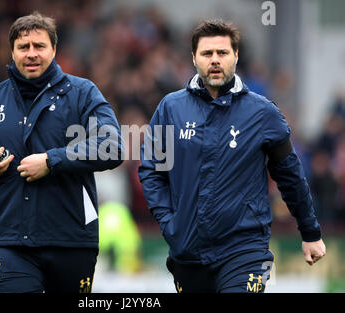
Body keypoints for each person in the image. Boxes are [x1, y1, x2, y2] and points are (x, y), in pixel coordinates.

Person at [138, 20, 326, 293]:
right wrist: (170, 222)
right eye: (207, 54)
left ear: (236, 56)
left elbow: (290, 176)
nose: (215, 60)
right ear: (194, 58)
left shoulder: (263, 113)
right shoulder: (170, 109)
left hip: (246, 250)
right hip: (188, 252)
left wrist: (310, 232)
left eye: (222, 53)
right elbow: (152, 170)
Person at [0, 12, 123, 293]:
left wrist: (51, 160)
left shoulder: (83, 93)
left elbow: (112, 147)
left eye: (39, 46)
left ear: (54, 49)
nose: (31, 54)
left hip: (71, 241)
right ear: (12, 51)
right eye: (23, 47)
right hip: (9, 242)